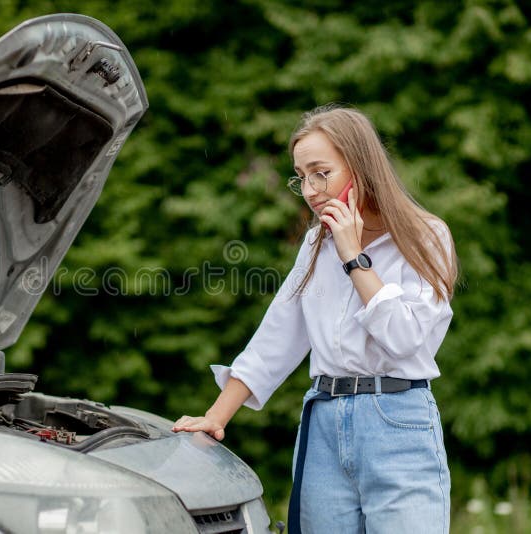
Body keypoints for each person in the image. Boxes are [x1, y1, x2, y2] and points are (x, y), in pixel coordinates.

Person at [172, 104, 458, 534]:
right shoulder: (315, 244)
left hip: (399, 421)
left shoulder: (427, 235)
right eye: (301, 176)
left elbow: (406, 340)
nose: (309, 189)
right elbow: (278, 335)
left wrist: (353, 257)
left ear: (360, 167)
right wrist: (216, 416)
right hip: (324, 421)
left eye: (321, 172)